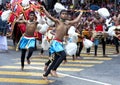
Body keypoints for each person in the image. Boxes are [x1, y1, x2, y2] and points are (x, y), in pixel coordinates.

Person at [40, 5, 83, 80]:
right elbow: (49, 16)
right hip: (55, 42)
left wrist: (81, 14)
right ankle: (53, 70)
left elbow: (76, 21)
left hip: (60, 43)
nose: (64, 15)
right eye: (63, 14)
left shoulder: (68, 23)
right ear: (60, 15)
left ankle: (45, 75)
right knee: (63, 55)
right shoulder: (58, 21)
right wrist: (44, 9)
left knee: (55, 60)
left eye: (66, 14)